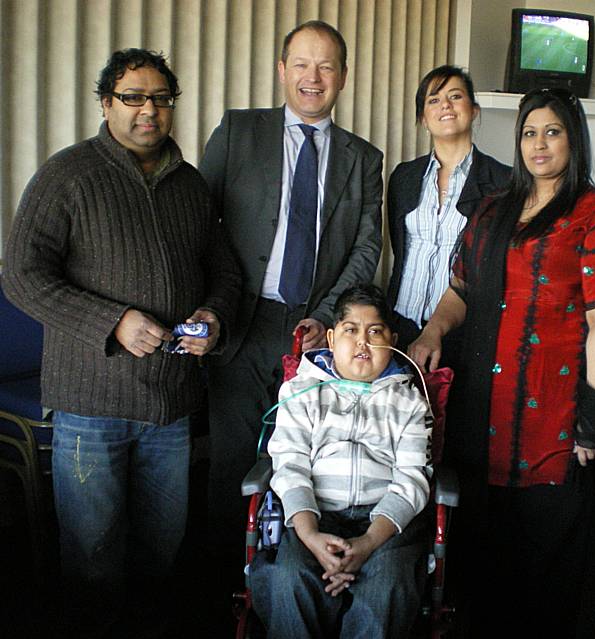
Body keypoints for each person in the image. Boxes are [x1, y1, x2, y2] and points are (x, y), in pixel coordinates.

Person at [2, 48, 240, 638]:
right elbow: (22, 275)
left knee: (161, 556)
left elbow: (225, 271)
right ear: (106, 103)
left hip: (170, 405)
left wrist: (213, 315)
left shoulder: (190, 185)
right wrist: (112, 322)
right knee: (93, 561)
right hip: (92, 406)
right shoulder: (67, 175)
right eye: (133, 97)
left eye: (160, 98)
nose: (148, 110)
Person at [410, 87, 595, 636]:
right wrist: (431, 332)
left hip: (554, 421)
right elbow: (459, 287)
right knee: (480, 558)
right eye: (529, 132)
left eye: (553, 131)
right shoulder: (493, 209)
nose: (539, 144)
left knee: (545, 568)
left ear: (573, 139)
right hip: (481, 413)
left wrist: (594, 420)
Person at [198, 19, 383, 599]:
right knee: (232, 460)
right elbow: (203, 227)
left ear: (344, 77)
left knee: (311, 464)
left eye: (326, 66)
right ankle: (220, 587)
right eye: (301, 64)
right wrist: (217, 306)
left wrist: (328, 316)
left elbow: (367, 247)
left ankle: (292, 586)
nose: (313, 77)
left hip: (318, 335)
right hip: (244, 322)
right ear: (282, 70)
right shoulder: (237, 131)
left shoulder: (364, 158)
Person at [249, 284, 432, 638]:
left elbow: (411, 480)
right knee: (289, 578)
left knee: (387, 586)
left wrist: (366, 544)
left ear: (392, 340)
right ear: (332, 338)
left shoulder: (409, 402)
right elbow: (290, 465)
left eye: (374, 332)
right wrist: (310, 534)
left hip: (382, 523)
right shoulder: (301, 391)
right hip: (315, 514)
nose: (363, 342)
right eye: (351, 331)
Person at [387, 65, 511, 359]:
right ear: (423, 119)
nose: (445, 105)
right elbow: (399, 248)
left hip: (466, 336)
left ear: (474, 110)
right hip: (399, 327)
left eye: (455, 96)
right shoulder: (404, 177)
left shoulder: (503, 182)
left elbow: (495, 268)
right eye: (434, 99)